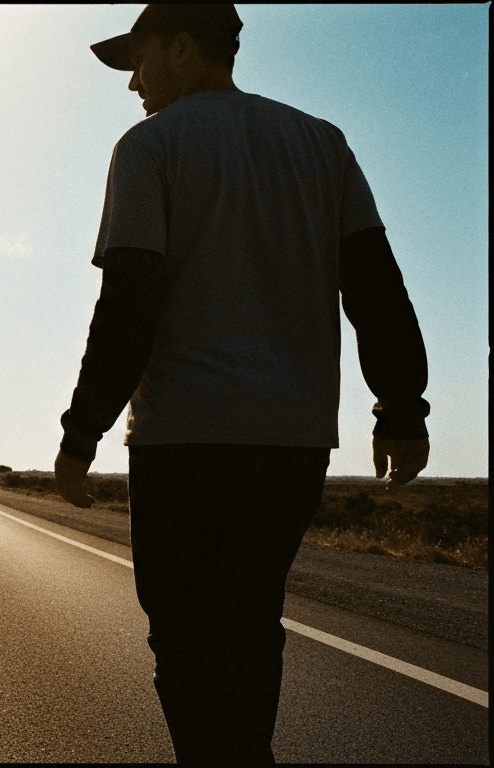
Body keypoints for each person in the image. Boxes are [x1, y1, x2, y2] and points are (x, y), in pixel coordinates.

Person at [53, 5, 431, 764]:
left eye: (139, 60)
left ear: (182, 48)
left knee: (187, 639)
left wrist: (82, 431)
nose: (132, 82)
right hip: (292, 444)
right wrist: (401, 409)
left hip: (185, 439)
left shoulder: (150, 145)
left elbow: (129, 298)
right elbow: (374, 284)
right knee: (253, 624)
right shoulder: (323, 143)